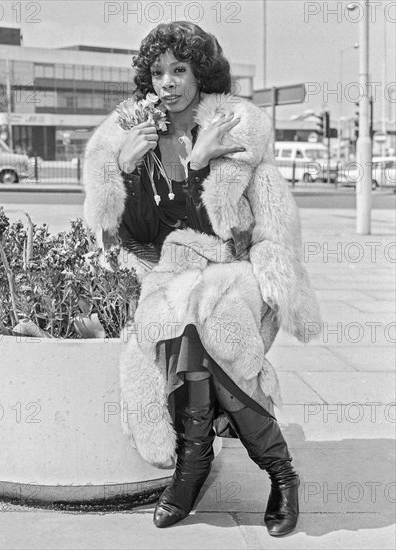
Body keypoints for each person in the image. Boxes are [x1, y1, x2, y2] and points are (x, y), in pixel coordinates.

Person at [83, 22, 320, 536]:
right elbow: (135, 233)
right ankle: (273, 471)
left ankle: (196, 472)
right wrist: (125, 167)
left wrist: (197, 163)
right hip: (165, 270)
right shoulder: (134, 134)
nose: (166, 82)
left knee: (201, 314)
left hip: (232, 267)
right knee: (183, 318)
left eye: (179, 70)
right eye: (157, 72)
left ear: (200, 73)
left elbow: (231, 226)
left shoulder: (234, 131)